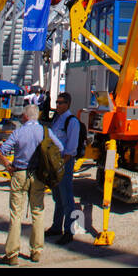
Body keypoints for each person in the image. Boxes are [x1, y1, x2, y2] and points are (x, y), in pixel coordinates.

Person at [0, 103, 61, 264]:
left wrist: (7, 165)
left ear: (25, 116)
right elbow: (60, 147)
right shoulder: (45, 132)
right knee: (38, 212)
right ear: (37, 116)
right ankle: (36, 251)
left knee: (15, 214)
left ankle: (12, 254)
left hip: (19, 172)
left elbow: (3, 150)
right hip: (39, 175)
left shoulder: (19, 132)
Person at [47, 92, 85, 244]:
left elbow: (71, 147)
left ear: (67, 104)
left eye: (60, 103)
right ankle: (56, 227)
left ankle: (68, 231)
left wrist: (63, 162)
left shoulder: (72, 121)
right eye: (56, 102)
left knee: (67, 197)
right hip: (54, 162)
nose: (57, 105)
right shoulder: (57, 119)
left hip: (64, 163)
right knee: (57, 196)